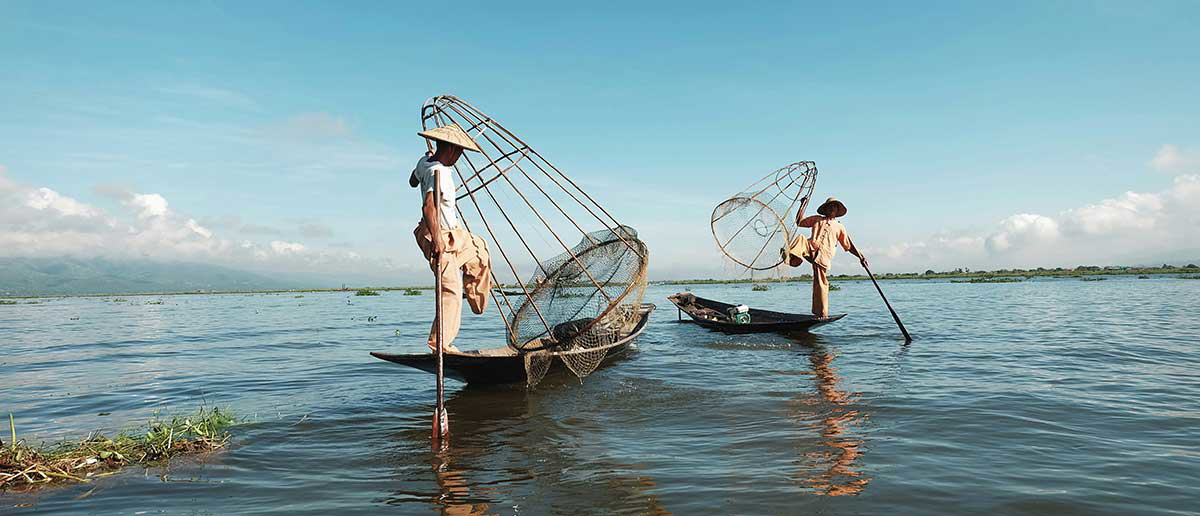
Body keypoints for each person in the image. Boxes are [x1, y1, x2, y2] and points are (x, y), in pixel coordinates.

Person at [410, 124, 492, 353]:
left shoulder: (425, 162)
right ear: (453, 149)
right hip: (438, 233)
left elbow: (412, 181)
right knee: (451, 292)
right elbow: (429, 207)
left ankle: (476, 299)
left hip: (452, 232)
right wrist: (437, 240)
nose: (459, 157)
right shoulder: (440, 172)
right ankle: (440, 345)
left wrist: (426, 162)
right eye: (460, 152)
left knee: (479, 249)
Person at [792, 197, 868, 319]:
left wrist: (861, 257)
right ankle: (794, 259)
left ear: (837, 211)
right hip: (810, 249)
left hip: (823, 256)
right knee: (800, 238)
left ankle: (822, 314)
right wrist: (802, 205)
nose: (832, 208)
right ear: (826, 209)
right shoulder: (817, 219)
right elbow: (799, 222)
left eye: (834, 207)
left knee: (821, 283)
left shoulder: (839, 227)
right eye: (830, 206)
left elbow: (848, 245)